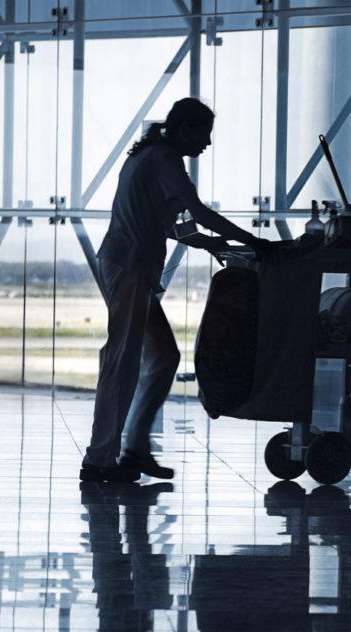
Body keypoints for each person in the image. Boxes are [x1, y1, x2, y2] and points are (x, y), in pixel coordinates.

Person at [82, 97, 271, 483]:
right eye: (204, 135)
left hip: (131, 266)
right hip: (130, 267)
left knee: (164, 356)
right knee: (121, 362)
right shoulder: (165, 160)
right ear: (185, 129)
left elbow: (172, 225)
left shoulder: (149, 157)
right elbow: (198, 212)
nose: (208, 144)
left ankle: (133, 449)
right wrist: (255, 241)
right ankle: (99, 459)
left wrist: (211, 244)